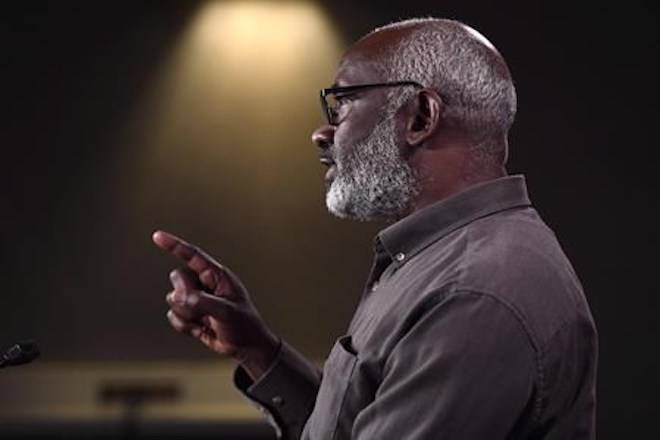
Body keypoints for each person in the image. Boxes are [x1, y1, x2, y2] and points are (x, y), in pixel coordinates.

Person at [153, 18, 598, 439]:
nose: (321, 133)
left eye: (343, 103)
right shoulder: (448, 263)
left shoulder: (474, 293)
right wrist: (257, 350)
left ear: (421, 117)